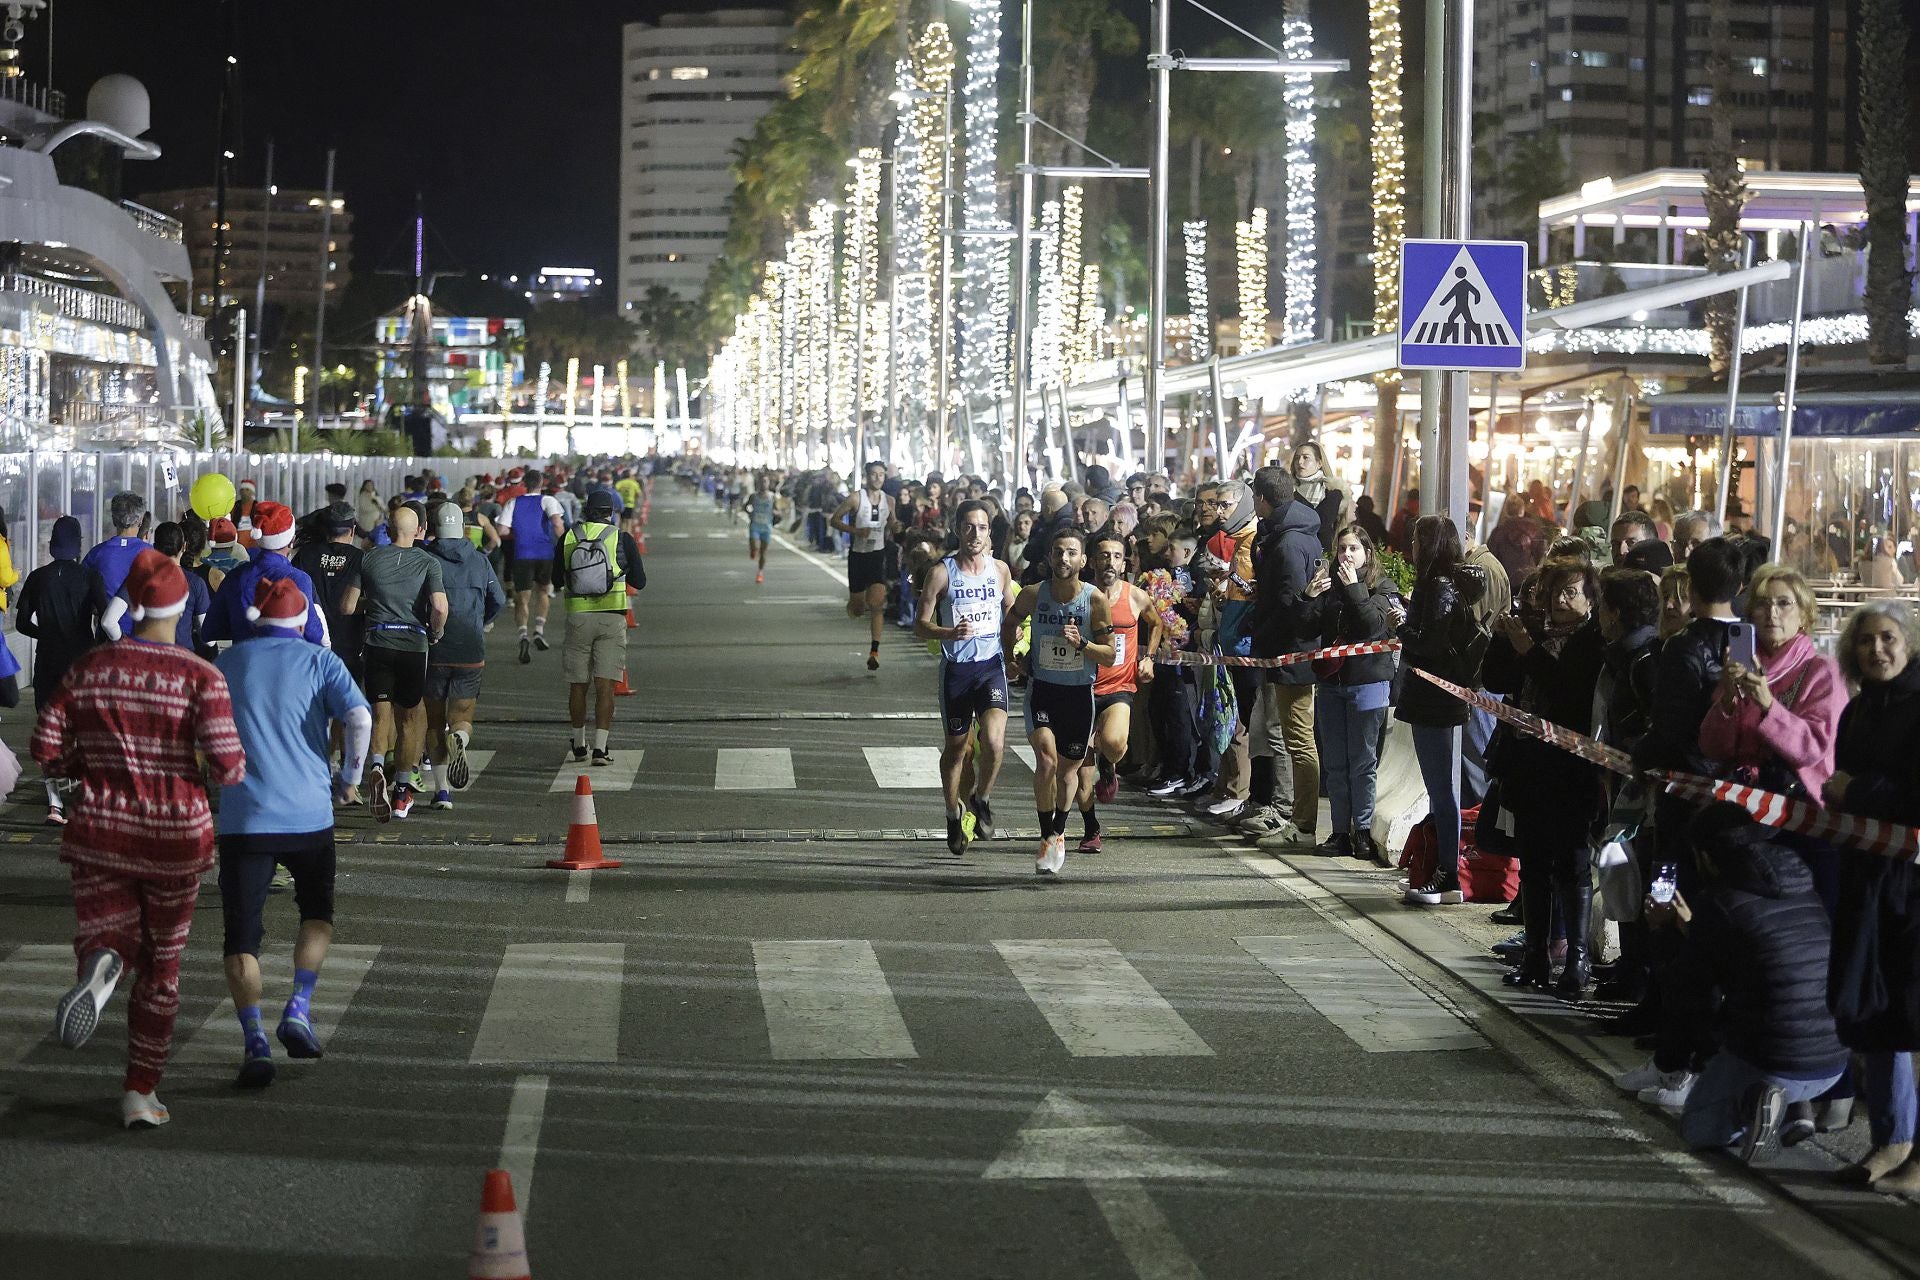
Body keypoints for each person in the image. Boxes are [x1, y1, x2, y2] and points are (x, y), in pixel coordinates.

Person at [36, 549, 247, 1129]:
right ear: (181, 606)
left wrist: (87, 762)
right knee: (163, 970)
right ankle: (139, 1090)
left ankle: (102, 961)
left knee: (106, 927)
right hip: (176, 836)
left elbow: (46, 746)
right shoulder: (201, 676)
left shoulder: (89, 667)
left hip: (100, 826)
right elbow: (228, 766)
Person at [214, 578, 371, 1088]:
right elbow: (360, 717)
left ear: (257, 618)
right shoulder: (321, 662)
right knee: (317, 914)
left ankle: (254, 1040)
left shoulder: (228, 664)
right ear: (302, 620)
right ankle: (299, 1007)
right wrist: (348, 778)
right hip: (309, 815)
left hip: (244, 818)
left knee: (242, 938)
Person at [1622, 537, 1746, 1108]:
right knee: (1707, 930)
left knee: (1669, 917)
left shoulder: (1685, 650)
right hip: (1737, 807)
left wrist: (1635, 756)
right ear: (1739, 588)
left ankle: (1683, 1066)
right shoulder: (1748, 646)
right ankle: (1674, 1057)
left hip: (1680, 809)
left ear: (1690, 586)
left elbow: (1669, 731)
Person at [1666, 804, 1851, 1165]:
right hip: (1834, 1058)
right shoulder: (1800, 881)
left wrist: (1670, 935)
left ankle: (1757, 1103)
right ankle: (1796, 1111)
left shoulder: (1719, 903)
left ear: (1704, 855)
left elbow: (1692, 991)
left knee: (1699, 1127)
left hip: (1774, 1058)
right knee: (1783, 994)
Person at [1824, 601, 1920, 1187]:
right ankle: (1891, 1139)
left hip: (1913, 885)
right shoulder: (1857, 712)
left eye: (1888, 638)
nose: (1876, 650)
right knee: (1876, 1011)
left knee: (1914, 1015)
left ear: (1909, 643)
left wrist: (1858, 789)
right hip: (1867, 881)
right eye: (1865, 641)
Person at [1484, 556, 1607, 994]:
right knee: (1533, 862)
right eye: (1553, 591)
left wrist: (1528, 652)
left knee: (1572, 863)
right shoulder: (1535, 633)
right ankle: (1535, 955)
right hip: (1527, 766)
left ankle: (1576, 960)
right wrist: (1506, 641)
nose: (1559, 599)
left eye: (1570, 591)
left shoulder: (1593, 642)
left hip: (1571, 770)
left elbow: (1570, 694)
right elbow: (1496, 680)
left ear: (1590, 600)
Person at [1003, 529, 1115, 876]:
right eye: (1057, 552)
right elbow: (1008, 624)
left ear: (1083, 561)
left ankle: (1060, 830)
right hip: (1043, 690)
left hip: (1078, 694)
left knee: (1068, 771)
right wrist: (1010, 657)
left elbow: (1110, 654)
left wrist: (1082, 644)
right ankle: (1045, 835)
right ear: (1049, 558)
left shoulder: (1095, 601)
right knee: (1047, 760)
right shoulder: (1035, 594)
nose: (1063, 559)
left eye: (1071, 553)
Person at [1394, 515, 1488, 906]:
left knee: (1440, 788)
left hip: (1435, 698)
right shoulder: (1447, 584)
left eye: (1417, 539)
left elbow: (1429, 644)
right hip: (1437, 696)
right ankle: (1440, 866)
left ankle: (1448, 874)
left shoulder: (1438, 585)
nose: (1412, 546)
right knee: (1438, 786)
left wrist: (1400, 625)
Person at [915, 500, 1014, 855]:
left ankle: (981, 797)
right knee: (958, 748)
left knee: (995, 741)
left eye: (982, 527)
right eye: (969, 527)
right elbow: (920, 625)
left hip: (990, 667)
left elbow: (1011, 613)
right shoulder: (942, 572)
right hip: (957, 671)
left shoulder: (1000, 570)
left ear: (990, 532)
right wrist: (947, 633)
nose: (975, 534)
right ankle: (952, 813)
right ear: (958, 529)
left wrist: (1017, 642)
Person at [1301, 524, 1397, 863]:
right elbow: (1308, 630)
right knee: (1336, 764)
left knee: (1362, 762)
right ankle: (1340, 832)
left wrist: (1355, 587)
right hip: (1331, 685)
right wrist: (1310, 597)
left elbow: (1372, 626)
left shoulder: (1382, 587)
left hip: (1368, 683)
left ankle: (1363, 831)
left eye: (1354, 549)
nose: (1347, 555)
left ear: (1367, 554)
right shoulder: (1330, 588)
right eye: (1342, 549)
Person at [1245, 467, 1323, 853]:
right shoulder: (1284, 534)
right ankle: (1293, 815)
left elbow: (1291, 603)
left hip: (1292, 653)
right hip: (1285, 650)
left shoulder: (1289, 543)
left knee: (1298, 739)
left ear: (1262, 498)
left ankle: (1303, 822)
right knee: (1287, 735)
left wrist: (1267, 635)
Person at [354, 507, 448, 822]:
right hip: (413, 643)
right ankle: (402, 792)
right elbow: (439, 606)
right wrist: (436, 631)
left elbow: (348, 605)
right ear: (418, 530)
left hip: (377, 641)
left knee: (381, 715)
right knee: (409, 720)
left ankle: (378, 766)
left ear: (388, 528)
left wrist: (377, 604)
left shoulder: (367, 558)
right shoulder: (427, 563)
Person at [16, 517, 108, 823]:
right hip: (80, 663)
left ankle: (54, 803)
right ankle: (84, 792)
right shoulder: (89, 576)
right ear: (78, 544)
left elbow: (20, 623)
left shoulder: (37, 577)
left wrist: (46, 634)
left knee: (50, 730)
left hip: (47, 663)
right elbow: (105, 618)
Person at [1075, 532, 1159, 855]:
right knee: (1081, 776)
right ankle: (1091, 828)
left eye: (1116, 556)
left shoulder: (1135, 596)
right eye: (1104, 555)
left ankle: (1109, 766)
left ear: (1125, 562)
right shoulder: (1080, 595)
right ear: (1092, 561)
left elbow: (1157, 623)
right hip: (1082, 688)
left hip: (1119, 687)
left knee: (1112, 742)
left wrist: (1148, 656)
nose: (1110, 562)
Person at [554, 489, 645, 765]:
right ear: (611, 512)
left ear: (585, 510)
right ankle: (600, 749)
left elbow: (556, 579)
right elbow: (639, 581)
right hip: (612, 618)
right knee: (605, 686)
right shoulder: (622, 538)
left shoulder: (569, 537)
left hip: (578, 617)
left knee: (578, 685)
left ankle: (579, 744)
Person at [424, 502, 506, 807]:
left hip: (434, 648)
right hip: (471, 648)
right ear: (462, 528)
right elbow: (498, 599)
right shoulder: (479, 560)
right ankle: (460, 738)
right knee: (461, 716)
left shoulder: (426, 558)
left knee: (433, 722)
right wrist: (479, 622)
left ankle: (441, 790)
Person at [202, 502, 330, 647]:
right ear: (292, 542)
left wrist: (243, 629)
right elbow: (314, 634)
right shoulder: (299, 579)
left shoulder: (235, 577)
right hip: (286, 664)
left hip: (244, 663)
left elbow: (209, 631)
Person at [495, 468, 566, 664]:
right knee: (543, 592)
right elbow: (558, 525)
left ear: (524, 483)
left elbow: (502, 530)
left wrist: (517, 532)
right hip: (544, 553)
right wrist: (566, 543)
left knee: (522, 598)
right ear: (541, 483)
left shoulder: (513, 502)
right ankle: (539, 631)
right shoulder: (548, 501)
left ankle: (523, 635)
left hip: (522, 553)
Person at [831, 462, 897, 671]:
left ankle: (874, 652)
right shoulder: (855, 498)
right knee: (858, 608)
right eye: (874, 475)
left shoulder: (890, 500)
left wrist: (896, 526)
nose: (878, 478)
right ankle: (855, 604)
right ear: (867, 477)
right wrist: (856, 531)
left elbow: (893, 522)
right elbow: (834, 520)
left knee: (877, 603)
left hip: (878, 555)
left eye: (881, 475)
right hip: (858, 556)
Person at [81, 491, 150, 595]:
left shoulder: (95, 554)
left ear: (114, 519)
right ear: (140, 521)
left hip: (104, 611)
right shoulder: (154, 555)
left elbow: (82, 587)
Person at [1291, 441, 1344, 551]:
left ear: (1319, 463)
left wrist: (1295, 495)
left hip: (1320, 554)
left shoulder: (1332, 492)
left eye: (1306, 458)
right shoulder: (1286, 489)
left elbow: (1320, 523)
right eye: (1297, 458)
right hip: (1290, 551)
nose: (1300, 462)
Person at [746, 474, 776, 585]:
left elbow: (776, 509)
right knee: (754, 545)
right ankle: (753, 550)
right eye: (762, 481)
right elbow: (746, 506)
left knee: (763, 552)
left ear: (768, 483)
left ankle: (760, 572)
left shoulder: (772, 496)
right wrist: (750, 513)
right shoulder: (753, 496)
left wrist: (776, 513)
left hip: (766, 527)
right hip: (755, 525)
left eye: (765, 482)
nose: (763, 484)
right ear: (758, 483)